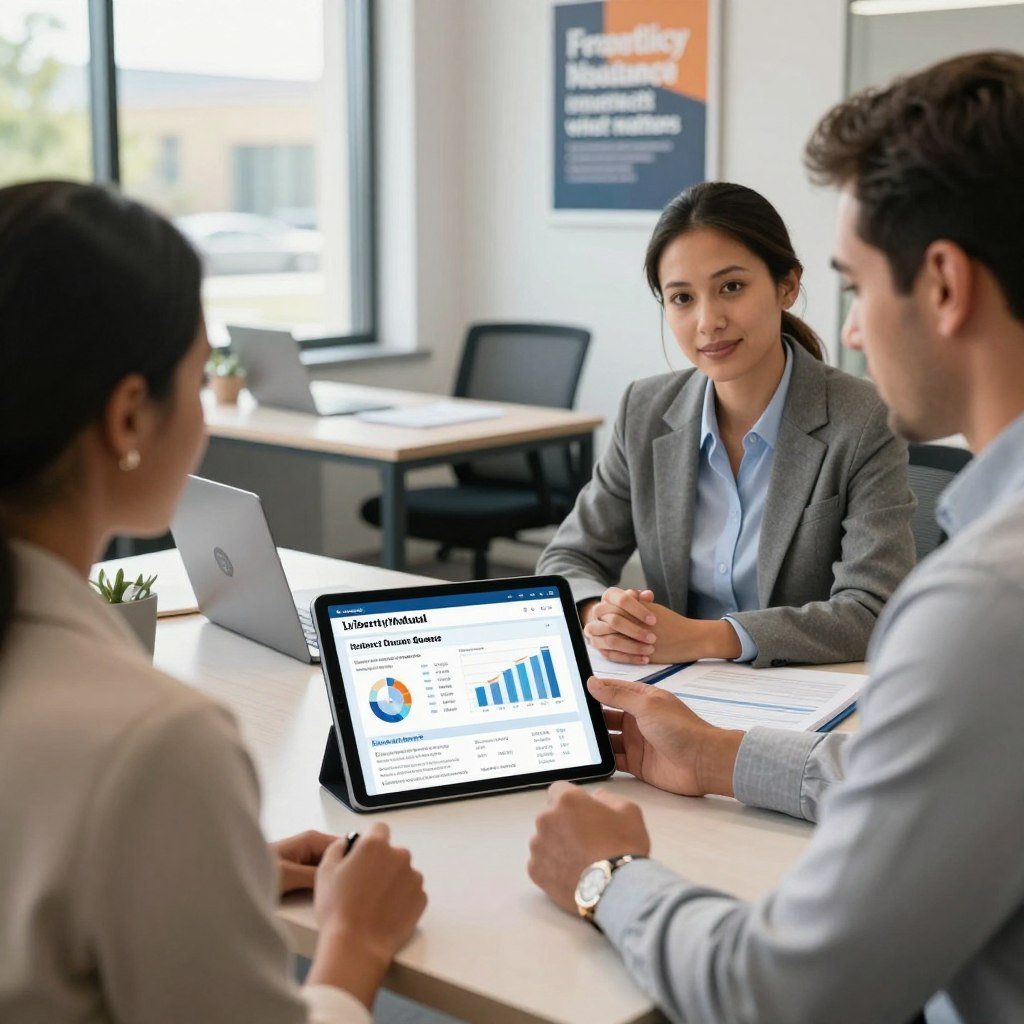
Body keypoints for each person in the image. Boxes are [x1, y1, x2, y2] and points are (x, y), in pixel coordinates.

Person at [527, 50, 1024, 1024]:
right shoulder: (648, 409)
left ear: (943, 283)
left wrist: (606, 877)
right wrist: (716, 755)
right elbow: (948, 765)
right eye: (680, 298)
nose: (848, 332)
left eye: (854, 285)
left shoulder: (983, 600)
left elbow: (783, 991)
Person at [0, 181, 426, 1023]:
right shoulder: (152, 743)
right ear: (129, 416)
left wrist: (189, 866)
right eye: (199, 377)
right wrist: (353, 940)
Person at [537, 181, 915, 670]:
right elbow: (567, 561)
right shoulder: (645, 411)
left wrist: (707, 638)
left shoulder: (862, 418)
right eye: (681, 298)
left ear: (786, 286)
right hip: (676, 689)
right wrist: (603, 615)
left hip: (803, 698)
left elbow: (873, 610)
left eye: (731, 287)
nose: (707, 321)